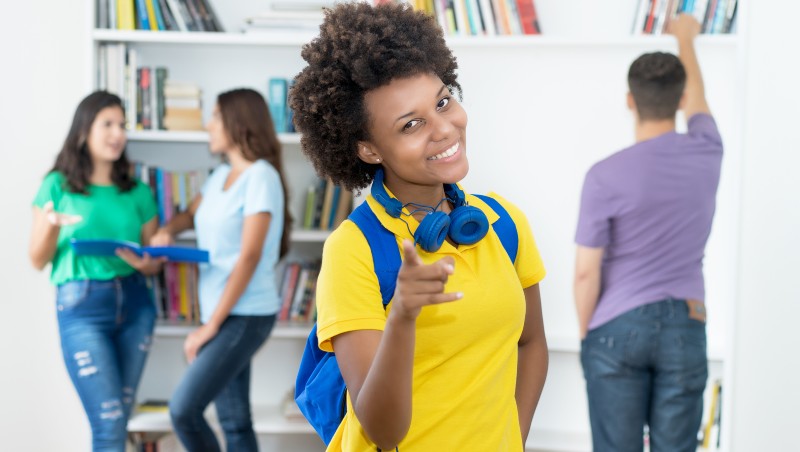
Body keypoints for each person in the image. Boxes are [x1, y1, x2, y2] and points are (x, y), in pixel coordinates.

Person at [289, 3, 548, 451]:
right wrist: (403, 316)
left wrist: (512, 439)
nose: (445, 129)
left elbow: (532, 344)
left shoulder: (502, 223)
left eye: (443, 101)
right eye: (412, 124)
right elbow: (382, 430)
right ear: (369, 150)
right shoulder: (353, 249)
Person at [573, 14, 722, 452]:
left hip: (616, 328)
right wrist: (686, 39)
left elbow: (586, 272)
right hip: (686, 323)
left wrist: (589, 337)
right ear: (679, 101)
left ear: (629, 100)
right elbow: (700, 97)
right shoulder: (707, 150)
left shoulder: (604, 175)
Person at [149, 88, 292, 452]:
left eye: (215, 116)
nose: (208, 124)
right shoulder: (220, 177)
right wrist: (169, 230)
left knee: (184, 410)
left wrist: (210, 326)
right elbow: (191, 213)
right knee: (235, 421)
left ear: (237, 122)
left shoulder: (261, 177)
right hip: (224, 311)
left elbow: (249, 256)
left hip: (245, 314)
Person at [28, 91, 164, 452]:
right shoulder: (56, 185)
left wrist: (146, 262)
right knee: (108, 420)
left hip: (136, 304)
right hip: (82, 308)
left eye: (121, 125)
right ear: (83, 131)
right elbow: (37, 259)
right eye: (107, 124)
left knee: (120, 416)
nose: (117, 133)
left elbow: (152, 259)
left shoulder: (137, 191)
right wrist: (52, 225)